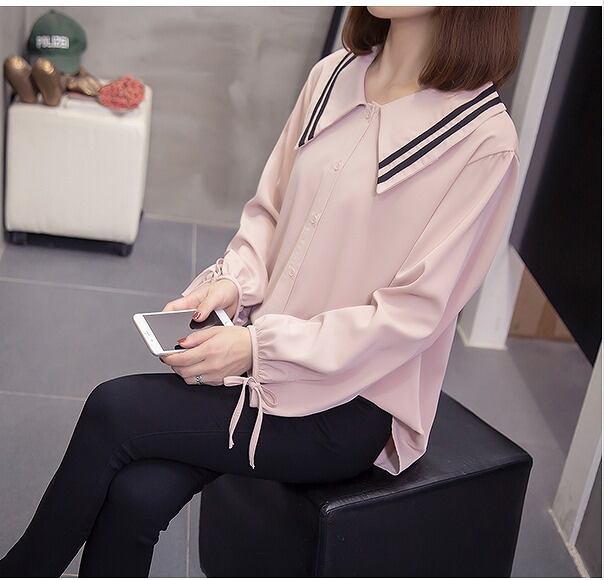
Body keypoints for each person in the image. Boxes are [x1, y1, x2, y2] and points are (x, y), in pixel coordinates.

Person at [0, 6, 521, 577]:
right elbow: (270, 214)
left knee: (113, 409)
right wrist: (234, 282)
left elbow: (412, 316)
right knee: (136, 495)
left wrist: (257, 348)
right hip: (266, 370)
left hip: (348, 404)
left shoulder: (482, 139)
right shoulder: (332, 76)